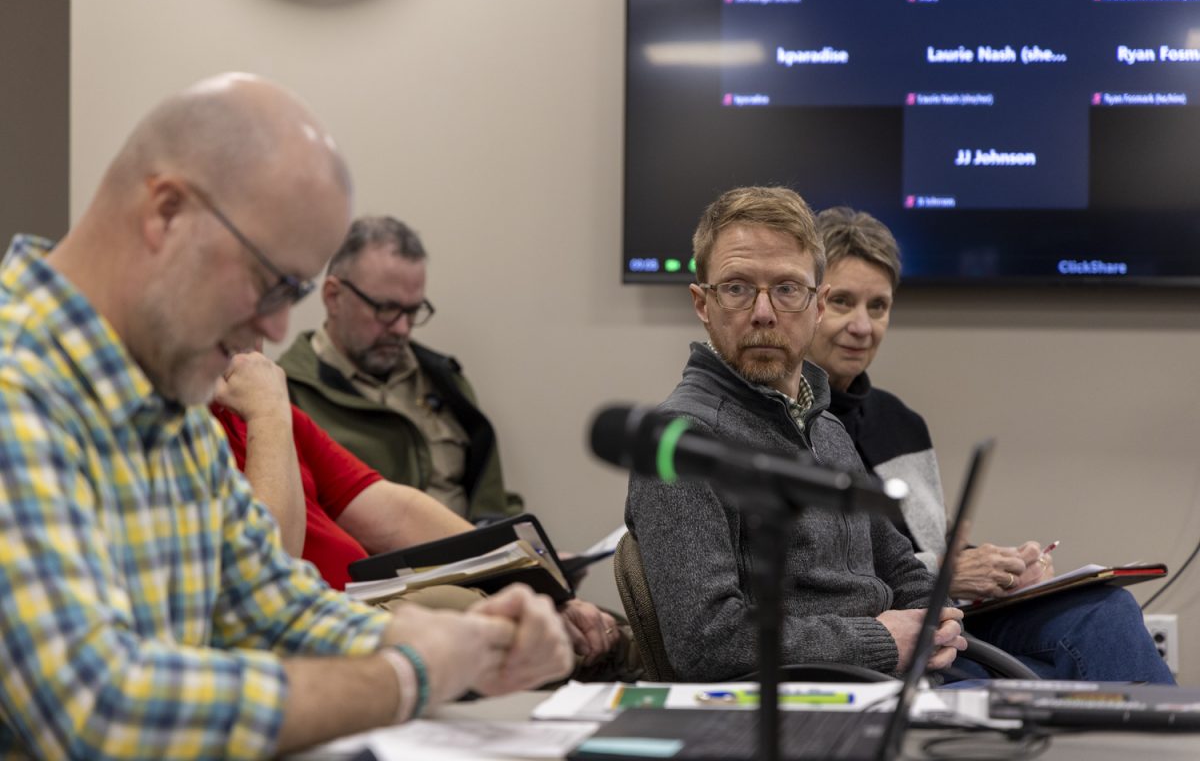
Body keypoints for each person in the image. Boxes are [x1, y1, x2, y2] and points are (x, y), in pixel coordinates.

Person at [0, 72, 572, 759]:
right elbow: (101, 710)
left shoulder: (166, 398)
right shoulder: (18, 388)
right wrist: (408, 674)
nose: (275, 327)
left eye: (294, 293)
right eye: (270, 281)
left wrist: (469, 642)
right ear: (166, 210)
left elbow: (269, 605)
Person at [807, 205, 1174, 683]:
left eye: (878, 307)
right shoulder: (786, 423)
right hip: (878, 636)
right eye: (843, 303)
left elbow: (929, 548)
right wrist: (946, 573)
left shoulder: (899, 422)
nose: (863, 326)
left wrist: (1001, 569)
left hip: (951, 619)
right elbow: (819, 580)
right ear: (807, 302)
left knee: (1105, 609)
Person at [624, 185, 967, 682]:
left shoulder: (824, 426)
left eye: (787, 289)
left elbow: (898, 564)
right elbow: (707, 643)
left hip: (892, 682)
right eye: (738, 287)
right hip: (804, 701)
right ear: (702, 303)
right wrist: (880, 641)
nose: (764, 312)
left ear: (817, 303)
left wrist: (936, 618)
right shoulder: (682, 440)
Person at [211, 349, 631, 673]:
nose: (265, 330)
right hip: (315, 626)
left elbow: (394, 512)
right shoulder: (216, 424)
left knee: (585, 615)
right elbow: (263, 577)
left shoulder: (266, 413)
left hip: (370, 601)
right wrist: (267, 414)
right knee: (473, 610)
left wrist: (523, 575)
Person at [278, 215, 520, 522]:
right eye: (387, 309)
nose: (403, 329)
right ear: (333, 297)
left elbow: (493, 501)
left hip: (481, 560)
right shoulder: (285, 398)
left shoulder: (446, 382)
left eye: (413, 310)